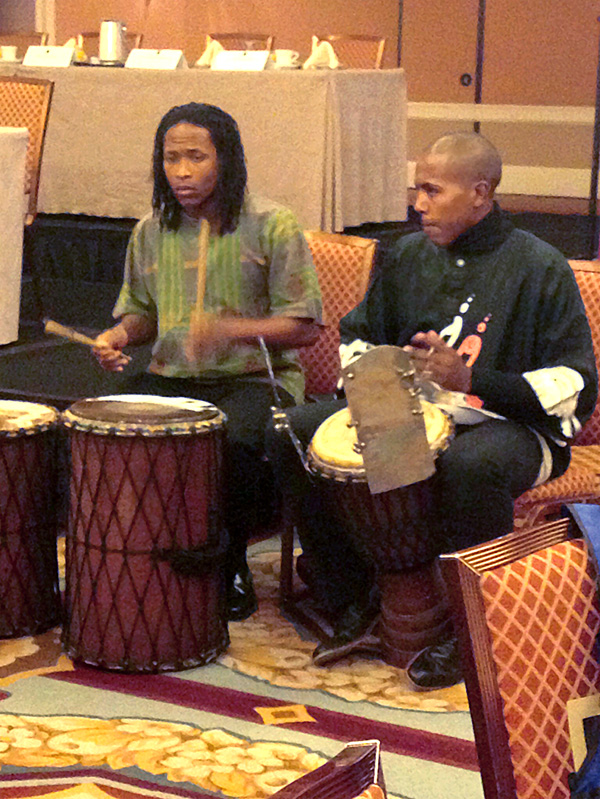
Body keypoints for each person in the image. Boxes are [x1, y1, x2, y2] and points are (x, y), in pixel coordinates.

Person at [266, 132, 598, 689]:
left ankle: (473, 630)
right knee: (293, 434)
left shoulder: (539, 266)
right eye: (416, 189)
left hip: (513, 426)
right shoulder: (406, 255)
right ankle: (354, 593)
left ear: (480, 193)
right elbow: (360, 335)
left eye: (432, 190)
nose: (418, 204)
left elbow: (575, 384)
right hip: (410, 412)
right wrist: (386, 385)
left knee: (470, 464)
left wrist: (472, 380)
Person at [93, 102, 322, 622]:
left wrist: (228, 329)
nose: (181, 171)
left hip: (255, 378)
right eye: (170, 158)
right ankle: (137, 555)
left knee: (231, 441)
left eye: (196, 157)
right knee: (105, 432)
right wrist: (118, 335)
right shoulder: (150, 229)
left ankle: (230, 560)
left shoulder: (273, 224)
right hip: (172, 376)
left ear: (227, 159)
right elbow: (142, 314)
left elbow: (305, 326)